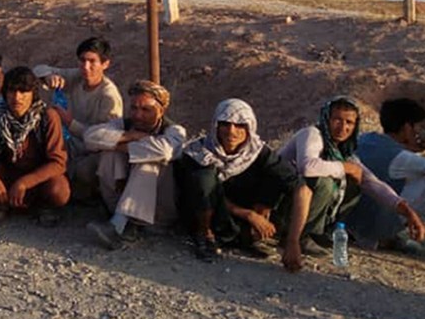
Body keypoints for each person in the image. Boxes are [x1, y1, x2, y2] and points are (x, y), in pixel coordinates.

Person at [279, 96, 425, 260]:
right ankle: (300, 236)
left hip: (302, 207)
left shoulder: (348, 148)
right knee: (324, 182)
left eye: (349, 123)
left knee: (355, 183)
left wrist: (407, 211)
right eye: (337, 120)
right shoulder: (312, 134)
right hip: (280, 203)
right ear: (326, 118)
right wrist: (345, 168)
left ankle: (319, 233)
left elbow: (373, 184)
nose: (343, 128)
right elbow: (307, 167)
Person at [177, 99, 311, 269]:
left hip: (238, 216)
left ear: (250, 128)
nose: (231, 132)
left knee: (277, 178)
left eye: (239, 125)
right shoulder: (198, 152)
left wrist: (293, 241)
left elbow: (303, 189)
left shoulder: (257, 152)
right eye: (225, 124)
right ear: (216, 126)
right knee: (205, 178)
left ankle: (264, 236)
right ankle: (205, 236)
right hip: (206, 214)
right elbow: (202, 191)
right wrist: (248, 215)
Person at [0, 66, 70, 226]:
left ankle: (42, 207)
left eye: (23, 92)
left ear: (33, 93)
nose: (17, 97)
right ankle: (0, 201)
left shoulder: (47, 117)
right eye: (12, 91)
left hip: (36, 178)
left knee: (59, 191)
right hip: (5, 174)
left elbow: (58, 162)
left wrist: (26, 182)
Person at [84, 80, 186, 250]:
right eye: (134, 108)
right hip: (118, 203)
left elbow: (164, 151)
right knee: (109, 152)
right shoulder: (126, 125)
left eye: (146, 110)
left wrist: (122, 144)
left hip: (158, 212)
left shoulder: (175, 131)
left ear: (161, 111)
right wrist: (129, 135)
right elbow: (90, 136)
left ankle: (119, 227)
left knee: (148, 160)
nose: (138, 115)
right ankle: (121, 220)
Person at [33, 37, 123, 201]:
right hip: (68, 145)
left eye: (92, 62)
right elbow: (38, 69)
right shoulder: (77, 76)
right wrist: (48, 77)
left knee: (85, 170)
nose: (86, 67)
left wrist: (70, 122)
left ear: (105, 64)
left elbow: (104, 138)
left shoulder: (109, 97)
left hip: (89, 152)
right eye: (82, 61)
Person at [348, 98, 425, 256]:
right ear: (407, 127)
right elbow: (406, 160)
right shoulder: (402, 158)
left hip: (351, 222)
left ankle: (397, 237)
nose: (420, 133)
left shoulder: (366, 138)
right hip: (371, 228)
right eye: (419, 127)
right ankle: (391, 237)